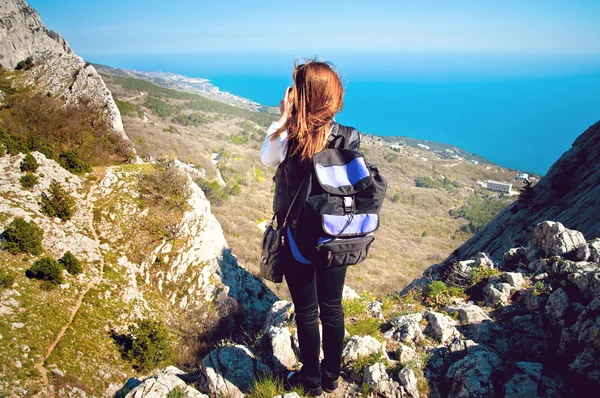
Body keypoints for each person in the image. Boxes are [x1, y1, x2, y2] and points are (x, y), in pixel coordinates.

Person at [260, 60, 360, 397]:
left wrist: (283, 117)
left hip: (298, 240)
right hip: (336, 236)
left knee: (307, 312)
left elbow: (266, 159)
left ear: (301, 95)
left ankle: (312, 383)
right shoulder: (348, 136)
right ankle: (332, 377)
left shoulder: (290, 136)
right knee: (332, 308)